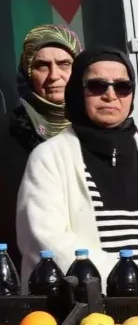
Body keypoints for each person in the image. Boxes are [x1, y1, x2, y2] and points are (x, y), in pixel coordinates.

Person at [17, 46, 138, 296]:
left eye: (122, 87)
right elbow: (45, 237)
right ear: (77, 90)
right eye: (97, 85)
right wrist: (127, 282)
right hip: (75, 308)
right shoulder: (49, 157)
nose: (110, 95)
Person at [0, 25, 82, 269]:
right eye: (42, 66)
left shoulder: (98, 129)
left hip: (92, 268)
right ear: (27, 72)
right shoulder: (8, 133)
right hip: (25, 270)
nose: (54, 75)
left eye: (64, 64)